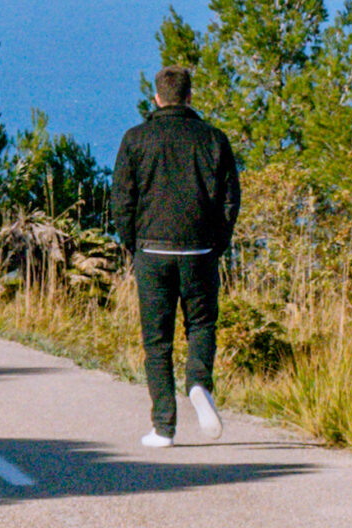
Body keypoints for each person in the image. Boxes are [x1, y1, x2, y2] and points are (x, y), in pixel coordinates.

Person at [112, 65, 242, 448]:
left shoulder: (136, 139)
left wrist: (132, 242)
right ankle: (199, 383)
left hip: (152, 249)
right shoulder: (214, 139)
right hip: (200, 249)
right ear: (189, 97)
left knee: (157, 341)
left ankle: (164, 427)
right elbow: (230, 199)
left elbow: (122, 198)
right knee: (201, 326)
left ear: (156, 98)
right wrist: (217, 242)